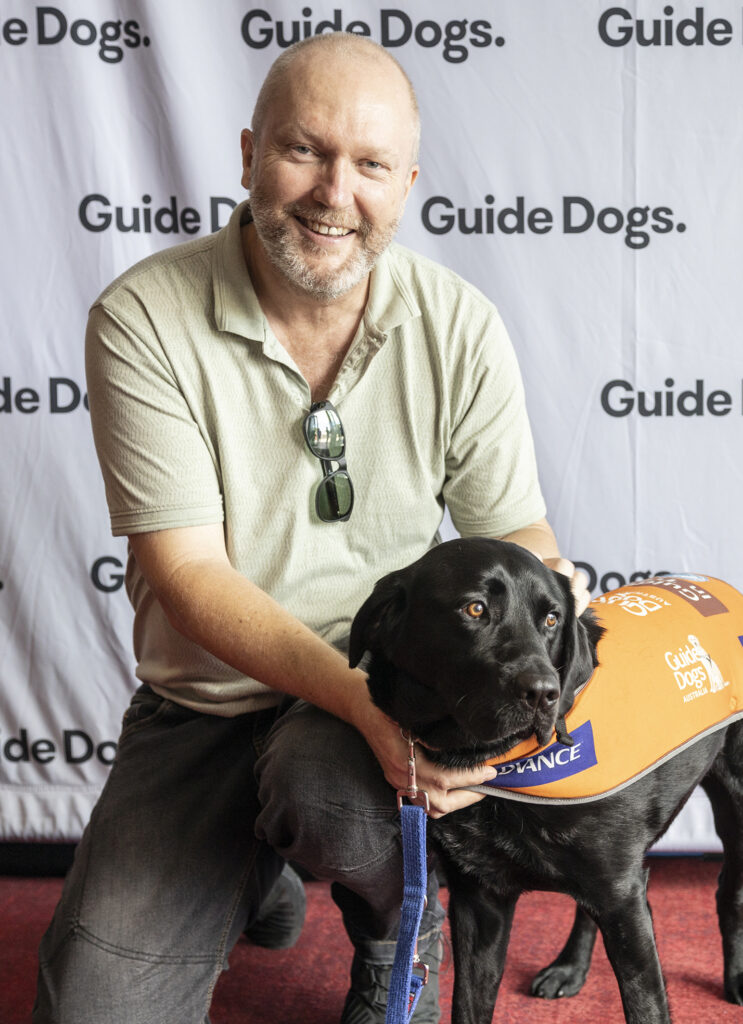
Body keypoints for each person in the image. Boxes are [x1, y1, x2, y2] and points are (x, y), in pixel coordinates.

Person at [34, 31, 589, 1024]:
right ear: (248, 153)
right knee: (91, 1012)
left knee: (331, 803)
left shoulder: (458, 323)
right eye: (304, 151)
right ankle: (261, 866)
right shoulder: (142, 316)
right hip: (202, 707)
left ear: (407, 182)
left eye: (370, 165)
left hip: (384, 695)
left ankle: (388, 925)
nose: (336, 191)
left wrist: (554, 633)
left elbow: (520, 536)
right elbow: (188, 572)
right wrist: (351, 697)